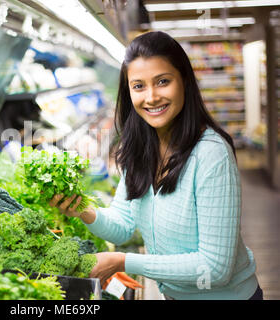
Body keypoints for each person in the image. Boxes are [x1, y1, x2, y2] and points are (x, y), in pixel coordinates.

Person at [49, 31, 263, 300]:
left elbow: (215, 268)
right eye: (138, 86)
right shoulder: (139, 148)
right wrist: (83, 209)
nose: (151, 97)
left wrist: (123, 261)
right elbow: (123, 224)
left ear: (184, 80)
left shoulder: (211, 153)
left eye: (162, 82)